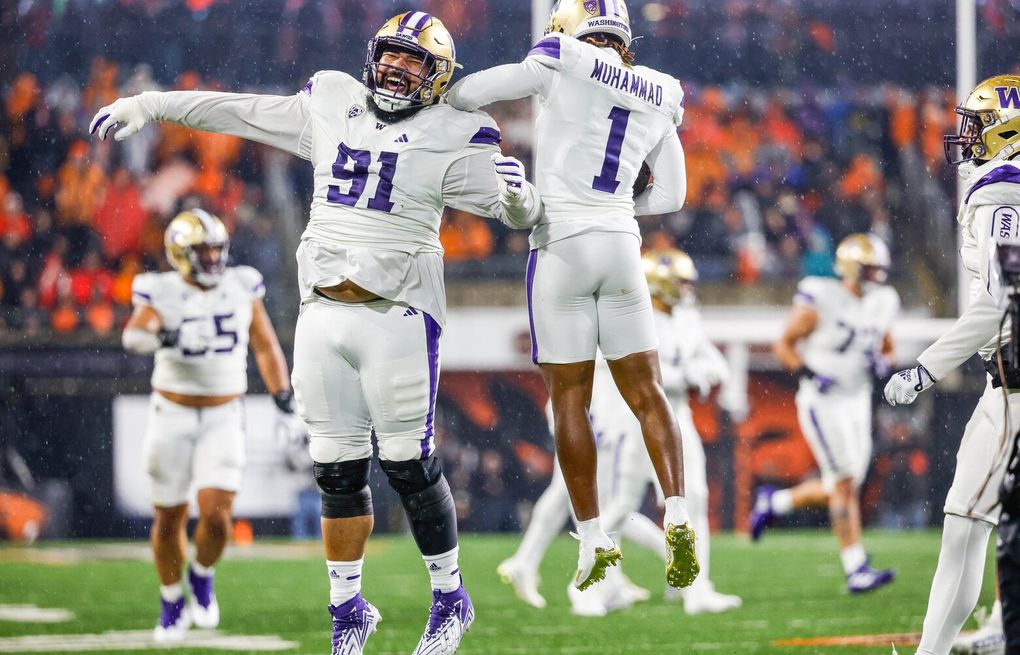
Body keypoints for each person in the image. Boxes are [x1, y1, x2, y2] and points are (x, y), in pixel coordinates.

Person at [93, 12, 542, 655]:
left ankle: (450, 598)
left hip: (399, 314)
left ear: (439, 77)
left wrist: (522, 201)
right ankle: (346, 611)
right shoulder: (332, 100)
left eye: (415, 62)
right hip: (321, 312)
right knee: (335, 471)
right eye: (391, 54)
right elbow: (237, 111)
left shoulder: (458, 131)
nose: (396, 68)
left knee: (409, 464)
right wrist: (152, 104)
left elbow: (515, 212)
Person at [446, 0, 698, 592]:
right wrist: (613, 210)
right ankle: (679, 511)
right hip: (621, 245)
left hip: (560, 243)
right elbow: (672, 197)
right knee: (647, 391)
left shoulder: (559, 58)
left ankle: (591, 537)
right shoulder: (663, 90)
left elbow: (469, 92)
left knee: (569, 398)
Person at [497, 249, 739, 616]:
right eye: (681, 282)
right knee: (617, 504)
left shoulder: (686, 317)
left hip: (676, 419)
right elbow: (632, 375)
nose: (688, 289)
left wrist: (701, 376)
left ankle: (695, 588)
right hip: (629, 421)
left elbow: (713, 362)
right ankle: (585, 581)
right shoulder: (630, 313)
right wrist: (688, 377)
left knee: (696, 499)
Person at [884, 74, 1020, 655]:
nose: (966, 136)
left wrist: (924, 370)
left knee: (966, 526)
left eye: (977, 123)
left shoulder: (1001, 192)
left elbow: (996, 303)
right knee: (967, 525)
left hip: (1014, 389)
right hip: (1005, 385)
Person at [121, 208, 302, 641]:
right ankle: (170, 599)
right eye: (204, 251)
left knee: (219, 518)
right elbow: (133, 336)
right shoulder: (158, 289)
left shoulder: (241, 284)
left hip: (224, 414)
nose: (214, 259)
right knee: (168, 517)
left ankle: (201, 573)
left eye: (218, 249)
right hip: (172, 413)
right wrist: (170, 336)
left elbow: (265, 345)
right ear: (181, 254)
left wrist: (283, 398)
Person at [750, 233, 900, 594]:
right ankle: (855, 567)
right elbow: (784, 344)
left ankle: (775, 501)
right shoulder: (822, 297)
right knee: (845, 483)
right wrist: (808, 372)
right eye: (870, 268)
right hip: (824, 401)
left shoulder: (883, 300)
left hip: (857, 399)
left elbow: (888, 346)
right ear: (851, 268)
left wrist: (884, 362)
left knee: (842, 484)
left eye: (879, 268)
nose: (877, 276)